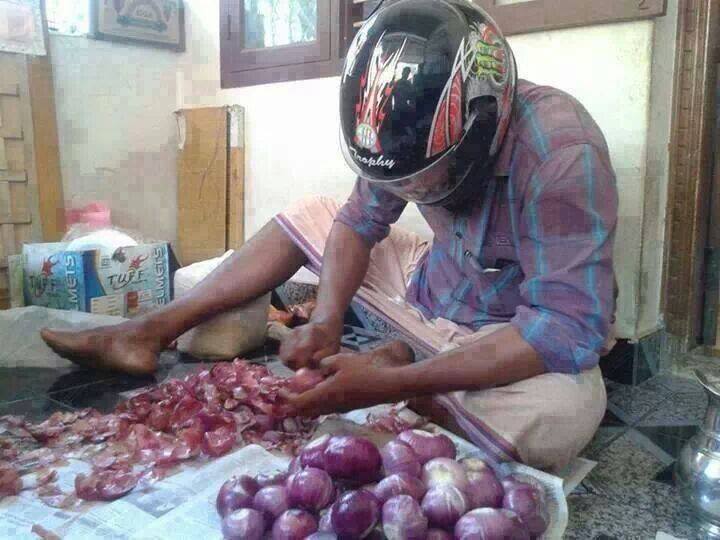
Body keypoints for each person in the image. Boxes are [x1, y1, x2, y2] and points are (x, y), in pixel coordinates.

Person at [41, 0, 617, 472]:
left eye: (427, 179)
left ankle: (405, 377)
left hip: (505, 329)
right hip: (429, 288)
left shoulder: (561, 150)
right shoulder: (399, 127)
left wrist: (391, 381)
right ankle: (149, 330)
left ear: (482, 125)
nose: (412, 192)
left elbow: (566, 325)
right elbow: (357, 221)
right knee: (316, 210)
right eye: (402, 181)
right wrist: (327, 320)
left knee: (566, 408)